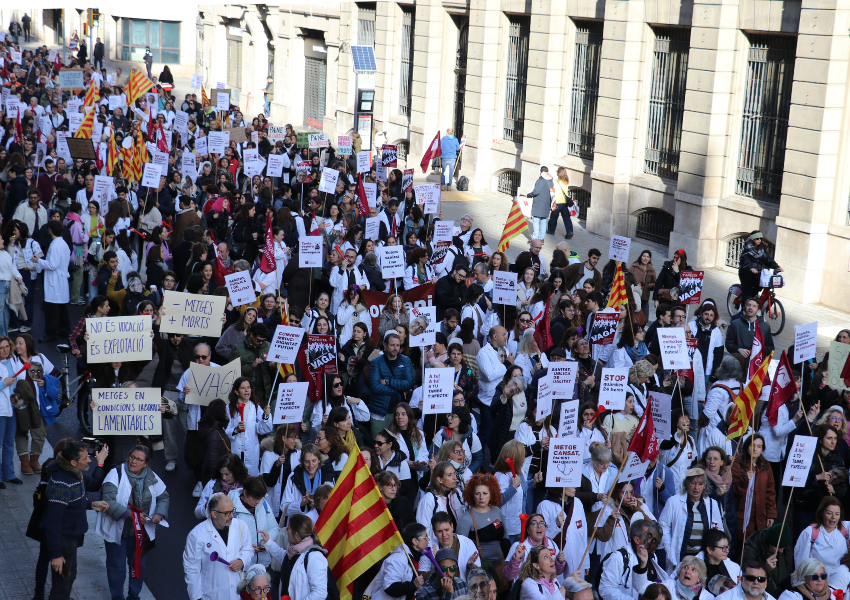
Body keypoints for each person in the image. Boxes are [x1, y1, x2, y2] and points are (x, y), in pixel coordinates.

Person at [96, 445, 170, 600]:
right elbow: (107, 500)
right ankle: (117, 597)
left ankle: (134, 596)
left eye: (139, 459)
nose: (133, 461)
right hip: (117, 531)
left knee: (138, 566)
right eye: (132, 457)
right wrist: (130, 515)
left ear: (146, 463)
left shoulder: (152, 476)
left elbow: (163, 496)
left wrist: (159, 514)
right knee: (117, 567)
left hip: (140, 533)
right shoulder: (115, 474)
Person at [42, 441, 109, 600]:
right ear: (73, 462)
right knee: (62, 584)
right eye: (85, 458)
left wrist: (91, 504)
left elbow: (71, 503)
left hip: (71, 539)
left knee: (69, 576)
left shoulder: (74, 473)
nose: (89, 461)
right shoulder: (61, 483)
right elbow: (52, 522)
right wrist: (57, 554)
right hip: (63, 542)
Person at [184, 493, 254, 600]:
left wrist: (242, 561)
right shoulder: (197, 535)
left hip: (236, 592)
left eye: (232, 510)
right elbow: (192, 569)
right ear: (214, 514)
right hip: (211, 594)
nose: (232, 516)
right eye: (227, 513)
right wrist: (196, 597)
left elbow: (248, 550)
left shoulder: (241, 526)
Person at [659, 467, 724, 572]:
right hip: (679, 556)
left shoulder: (712, 504)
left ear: (704, 486)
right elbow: (663, 525)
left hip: (703, 557)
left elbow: (719, 529)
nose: (696, 487)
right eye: (693, 483)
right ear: (686, 484)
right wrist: (669, 549)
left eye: (700, 484)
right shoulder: (673, 502)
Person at [258, 513, 329, 600]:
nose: (287, 531)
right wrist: (268, 542)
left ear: (296, 534)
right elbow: (282, 556)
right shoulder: (292, 552)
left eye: (288, 529)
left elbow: (320, 593)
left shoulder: (315, 557)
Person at [599, 519, 668, 600]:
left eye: (654, 540)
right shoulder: (618, 558)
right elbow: (605, 589)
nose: (652, 542)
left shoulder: (653, 558)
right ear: (637, 540)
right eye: (649, 536)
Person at [368, 332, 414, 437]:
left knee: (398, 445)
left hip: (400, 412)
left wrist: (388, 382)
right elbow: (375, 387)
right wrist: (398, 389)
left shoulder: (406, 360)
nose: (395, 348)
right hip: (380, 412)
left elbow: (408, 383)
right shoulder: (376, 362)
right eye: (392, 345)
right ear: (385, 345)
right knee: (379, 444)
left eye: (397, 345)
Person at [731, 434, 776, 541]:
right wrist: (745, 480)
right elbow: (733, 490)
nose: (755, 449)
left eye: (759, 446)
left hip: (760, 517)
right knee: (742, 547)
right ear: (747, 446)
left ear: (762, 449)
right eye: (752, 445)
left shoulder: (765, 466)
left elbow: (770, 492)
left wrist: (771, 514)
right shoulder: (738, 464)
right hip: (742, 516)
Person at [229, 476, 279, 571]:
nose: (258, 502)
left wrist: (267, 541)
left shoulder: (264, 504)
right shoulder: (231, 508)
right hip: (241, 566)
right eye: (255, 498)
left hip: (264, 564)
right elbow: (226, 536)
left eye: (260, 498)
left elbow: (274, 527)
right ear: (245, 493)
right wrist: (246, 546)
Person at [794, 496, 850, 579]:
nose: (833, 517)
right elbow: (801, 564)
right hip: (816, 584)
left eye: (837, 514)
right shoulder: (809, 532)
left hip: (839, 585)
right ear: (821, 513)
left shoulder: (845, 528)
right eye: (829, 513)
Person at [33, 220, 70, 342]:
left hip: (54, 282)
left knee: (51, 311)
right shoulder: (63, 244)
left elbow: (52, 265)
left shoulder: (54, 246)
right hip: (61, 280)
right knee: (61, 308)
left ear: (50, 230)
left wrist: (38, 260)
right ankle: (64, 330)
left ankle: (51, 334)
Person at [370, 522, 429, 600]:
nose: (428, 539)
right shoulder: (398, 558)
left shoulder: (415, 557)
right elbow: (390, 587)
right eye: (425, 537)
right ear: (415, 541)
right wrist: (413, 585)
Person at [738, 232, 781, 301]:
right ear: (753, 239)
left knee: (758, 289)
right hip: (746, 272)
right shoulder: (747, 247)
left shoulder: (762, 248)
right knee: (747, 293)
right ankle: (743, 310)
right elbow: (745, 259)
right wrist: (750, 268)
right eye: (757, 238)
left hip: (757, 272)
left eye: (761, 238)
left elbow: (767, 259)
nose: (759, 240)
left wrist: (776, 266)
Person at [525, 166, 554, 241]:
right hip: (547, 204)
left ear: (541, 172)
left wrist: (528, 195)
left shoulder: (540, 181)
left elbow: (536, 192)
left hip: (539, 204)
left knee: (536, 220)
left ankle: (535, 238)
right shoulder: (550, 181)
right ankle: (541, 238)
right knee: (544, 221)